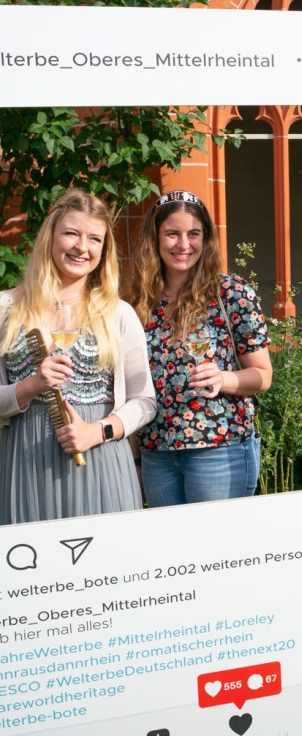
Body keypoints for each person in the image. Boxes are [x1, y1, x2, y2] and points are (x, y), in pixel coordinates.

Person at [0, 189, 157, 525]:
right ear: (50, 237)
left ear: (104, 249)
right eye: (71, 233)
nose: (81, 247)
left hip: (99, 459)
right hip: (23, 462)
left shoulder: (118, 314)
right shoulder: (6, 310)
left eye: (94, 239)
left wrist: (98, 431)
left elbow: (145, 401)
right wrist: (32, 385)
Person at [126, 189, 272, 506]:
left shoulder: (231, 294)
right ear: (155, 237)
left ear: (205, 238)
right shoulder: (137, 302)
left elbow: (262, 375)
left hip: (221, 450)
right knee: (169, 554)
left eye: (194, 234)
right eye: (172, 234)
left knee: (219, 553)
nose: (183, 244)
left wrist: (224, 379)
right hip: (157, 456)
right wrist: (135, 461)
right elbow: (131, 388)